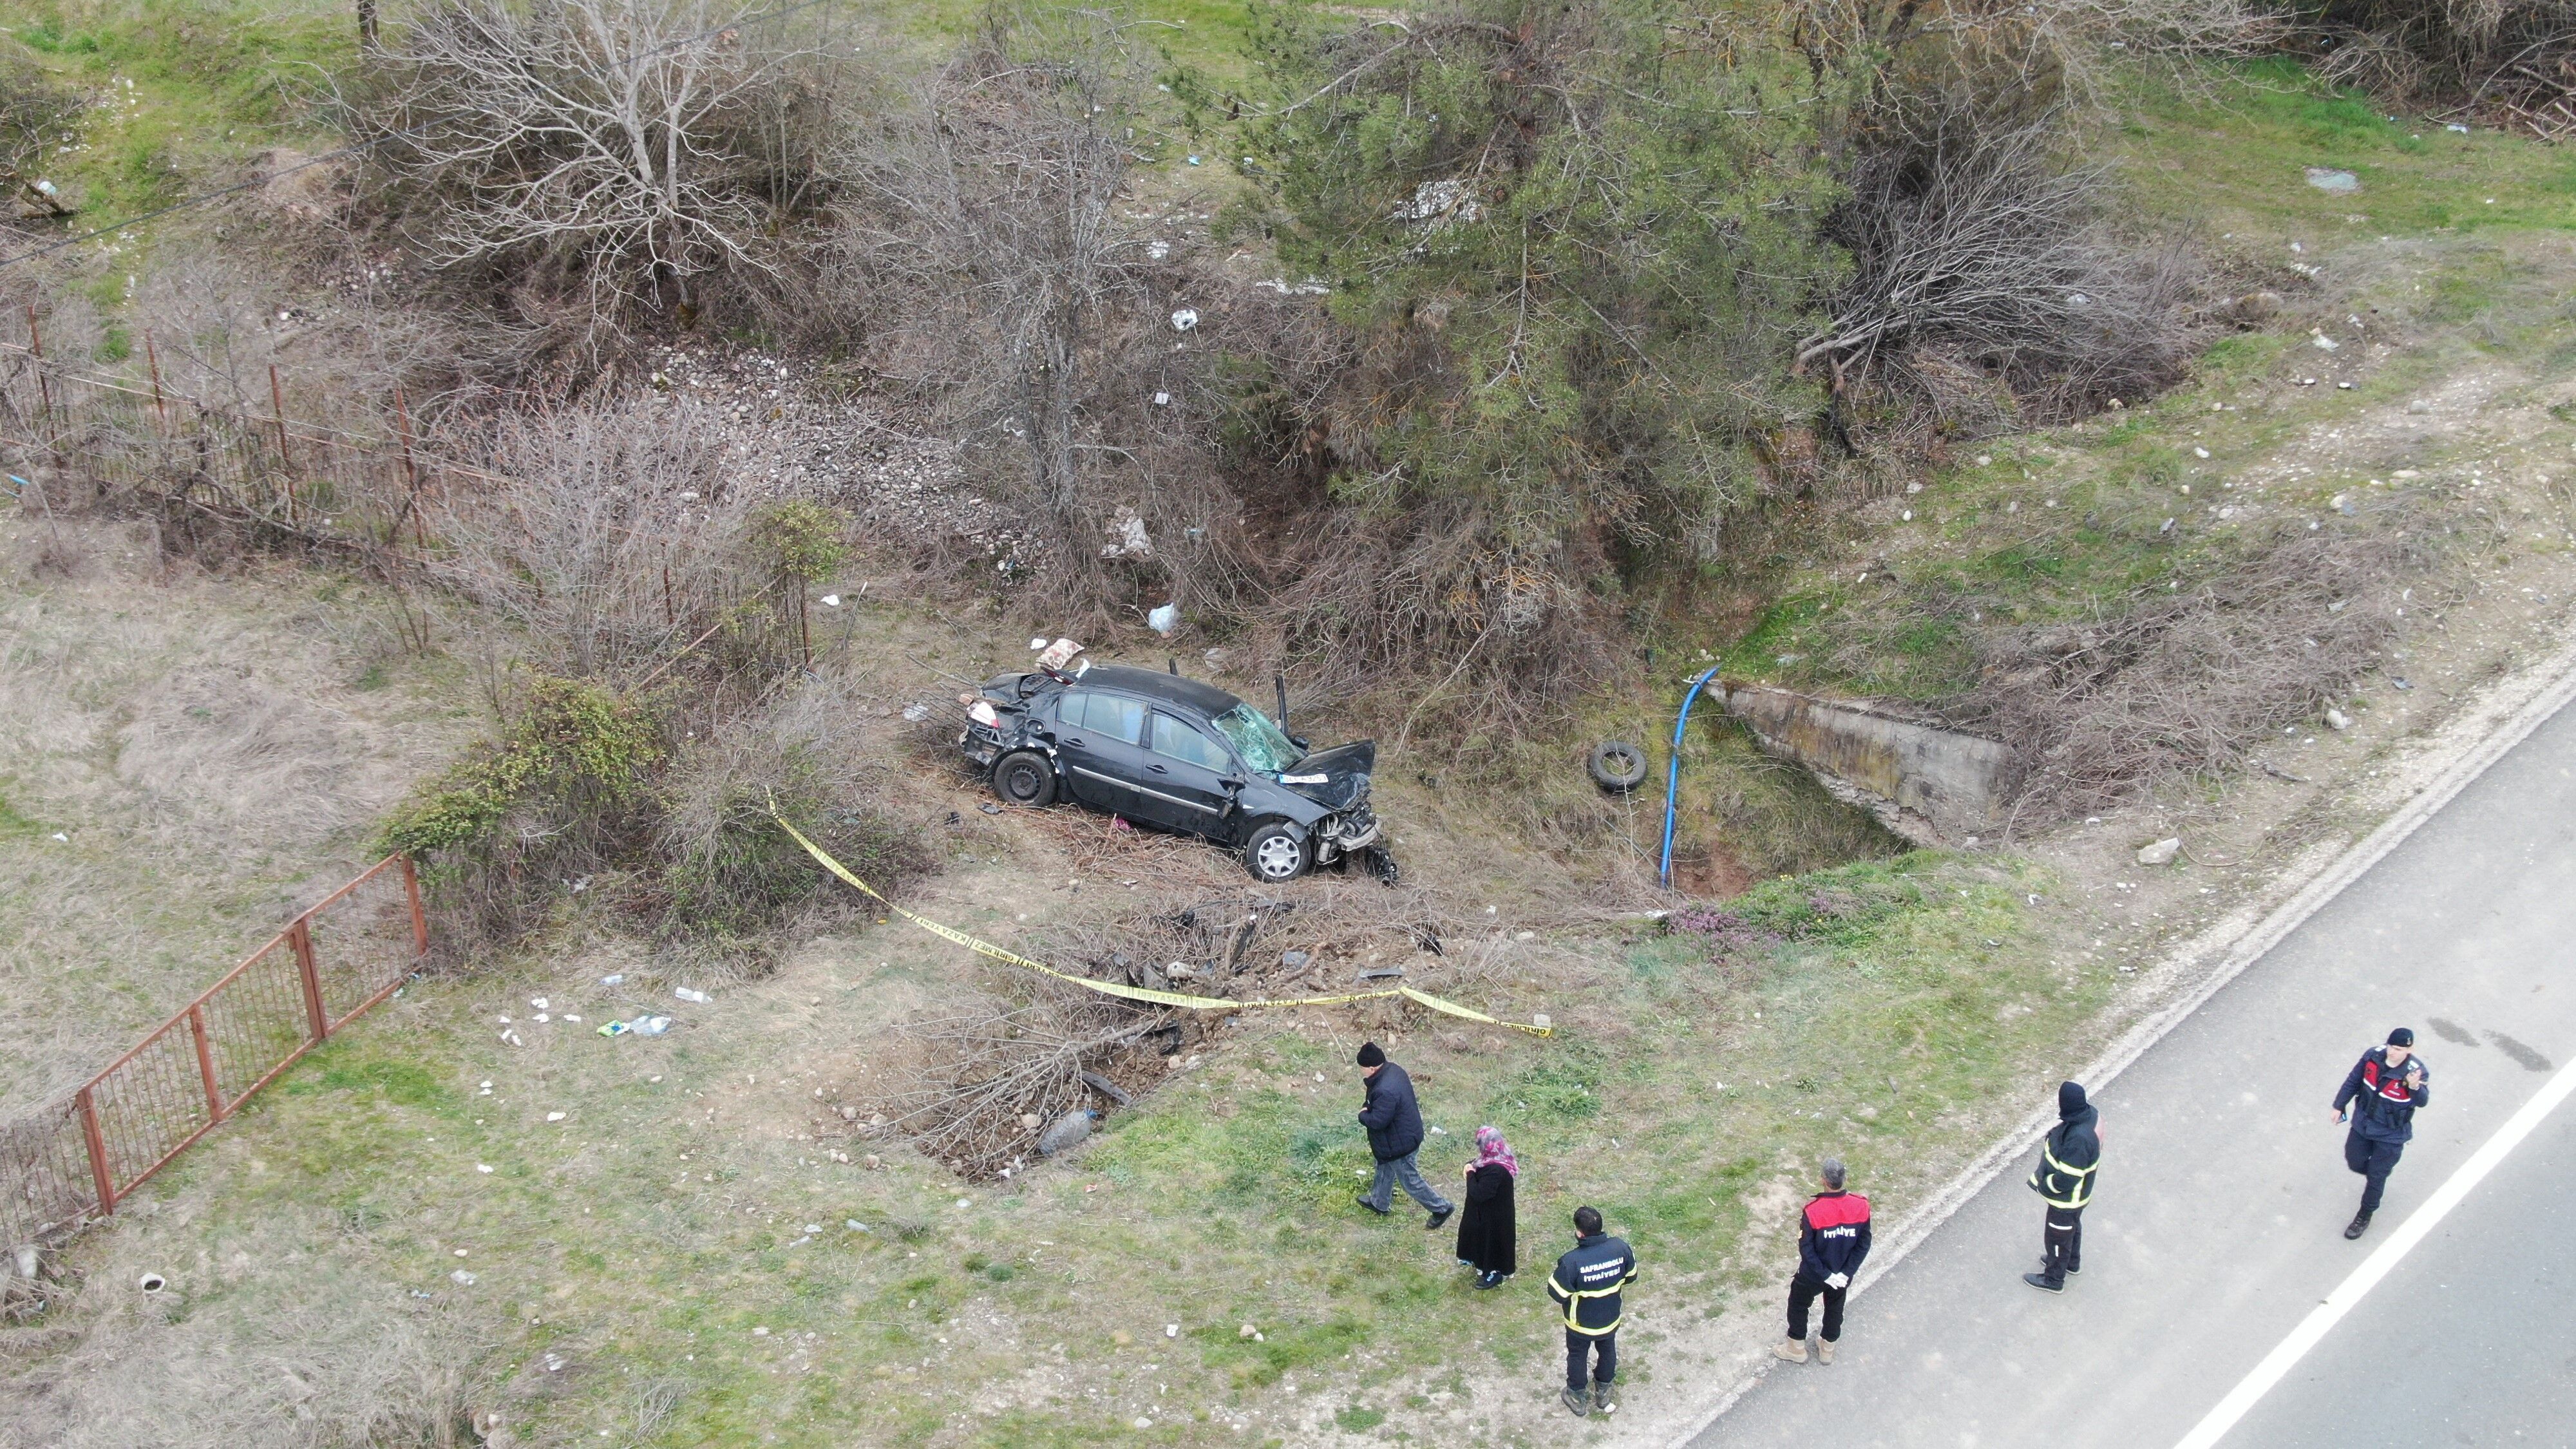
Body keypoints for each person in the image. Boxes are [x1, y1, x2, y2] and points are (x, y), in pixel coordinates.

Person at [2333, 1027, 2430, 1239]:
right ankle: (2378, 1171)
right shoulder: (2373, 1057)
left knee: (2376, 1177)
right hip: (2364, 1124)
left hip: (2391, 1135)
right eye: (2390, 1047)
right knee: (2354, 1160)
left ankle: (2364, 1215)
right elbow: (2353, 1080)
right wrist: (2339, 1106)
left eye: (2398, 1049)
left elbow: (2422, 1101)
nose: (2392, 1052)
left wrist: (2414, 1087)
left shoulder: (2414, 1072)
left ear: (2409, 1049)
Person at [1774, 1157, 1870, 1364]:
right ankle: (1827, 1348)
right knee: (1835, 1306)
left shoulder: (1813, 1211)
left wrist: (1827, 1275)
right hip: (1843, 1272)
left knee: (1799, 1303)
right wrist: (1845, 1273)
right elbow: (1863, 1245)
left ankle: (1796, 1347)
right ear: (1845, 1178)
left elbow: (1806, 1249)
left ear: (1823, 1181)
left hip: (1813, 1275)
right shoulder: (1861, 1206)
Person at [1547, 1206, 1637, 1418]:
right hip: (1610, 1318)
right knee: (1607, 1350)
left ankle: (1577, 1396)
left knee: (1578, 1355)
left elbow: (1556, 1292)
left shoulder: (1572, 1262)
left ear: (1579, 1233)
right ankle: (1604, 1391)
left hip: (1580, 1324)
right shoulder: (1621, 1248)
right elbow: (1631, 1276)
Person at [1354, 1042, 1452, 1227]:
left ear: (1372, 1068)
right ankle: (1379, 1203)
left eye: (1362, 1068)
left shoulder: (1384, 1090)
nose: (1361, 1072)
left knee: (1410, 1181)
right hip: (1404, 1134)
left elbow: (1377, 1121)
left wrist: (1363, 1114)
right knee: (1384, 1166)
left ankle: (1441, 1208)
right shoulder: (1393, 1071)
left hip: (1399, 1144)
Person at [2023, 1081, 2100, 1293]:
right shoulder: (2090, 1116)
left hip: (2066, 1200)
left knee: (2058, 1235)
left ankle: (2054, 1279)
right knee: (2071, 1228)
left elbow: (2067, 1179)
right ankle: (2071, 1262)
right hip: (2078, 1198)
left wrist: (2046, 1186)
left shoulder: (2079, 1139)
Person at [1456, 1125, 1518, 1288]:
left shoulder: (1496, 1170)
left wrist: (1470, 1174)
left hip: (1493, 1218)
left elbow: (1479, 1194)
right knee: (1484, 1241)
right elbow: (1479, 1164)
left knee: (1492, 1245)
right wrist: (1471, 1166)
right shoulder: (1498, 1157)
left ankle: (1493, 1273)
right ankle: (1483, 1265)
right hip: (1490, 1213)